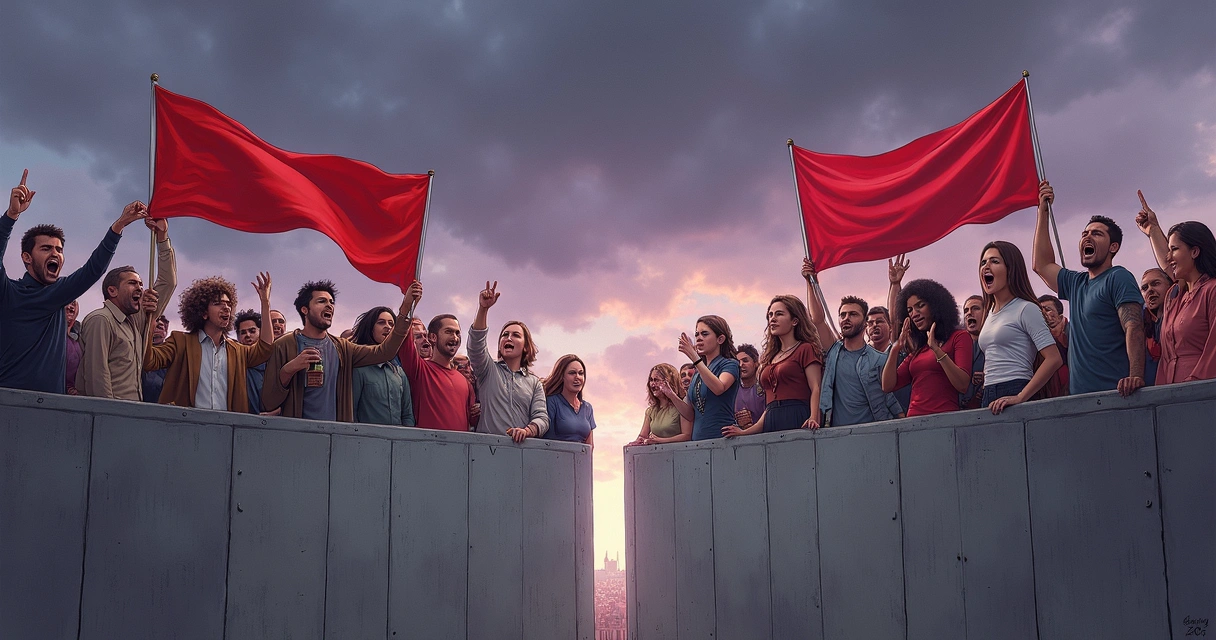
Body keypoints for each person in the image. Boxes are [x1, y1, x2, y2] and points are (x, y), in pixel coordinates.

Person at [0, 170, 154, 393]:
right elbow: (92, 271)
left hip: (53, 410)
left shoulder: (57, 293)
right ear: (26, 257)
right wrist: (11, 216)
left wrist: (119, 226)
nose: (55, 253)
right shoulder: (9, 292)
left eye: (59, 250)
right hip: (8, 405)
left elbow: (92, 270)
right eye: (46, 248)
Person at [1032, 181, 1145, 396]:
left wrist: (1136, 376)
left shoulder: (1118, 277)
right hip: (1081, 398)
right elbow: (1041, 264)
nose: (1087, 237)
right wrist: (1043, 211)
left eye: (1097, 233)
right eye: (1085, 233)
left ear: (1114, 247)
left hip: (1116, 395)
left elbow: (1134, 327)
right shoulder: (1076, 283)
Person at [262, 279, 416, 421]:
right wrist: (289, 369)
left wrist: (405, 310)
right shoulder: (283, 345)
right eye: (321, 301)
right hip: (296, 434)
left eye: (331, 302)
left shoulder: (343, 348)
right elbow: (269, 402)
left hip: (335, 437)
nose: (329, 305)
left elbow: (385, 352)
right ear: (304, 309)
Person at [78, 217, 178, 400]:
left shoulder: (136, 320)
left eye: (141, 284)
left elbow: (168, 283)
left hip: (131, 412)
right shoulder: (100, 320)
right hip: (110, 416)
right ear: (112, 290)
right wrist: (109, 415)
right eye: (132, 283)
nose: (140, 288)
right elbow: (97, 377)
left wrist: (162, 237)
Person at [144, 274, 274, 412]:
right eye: (218, 304)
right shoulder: (180, 341)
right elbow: (150, 361)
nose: (226, 308)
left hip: (226, 427)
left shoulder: (238, 351)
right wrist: (148, 322)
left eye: (229, 304)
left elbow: (265, 348)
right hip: (186, 426)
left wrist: (265, 303)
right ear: (203, 312)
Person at [801, 260, 903, 427]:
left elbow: (889, 398)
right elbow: (817, 320)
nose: (846, 318)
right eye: (842, 315)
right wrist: (810, 281)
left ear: (865, 323)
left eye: (853, 314)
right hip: (837, 434)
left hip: (873, 432)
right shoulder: (833, 351)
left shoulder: (879, 359)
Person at [1135, 193, 1216, 383]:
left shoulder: (1211, 291)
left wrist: (1194, 384)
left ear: (1195, 251)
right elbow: (1168, 266)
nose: (1169, 257)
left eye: (1175, 249)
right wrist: (1153, 229)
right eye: (1169, 250)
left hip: (1203, 394)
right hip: (1170, 396)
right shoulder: (1175, 296)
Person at [976, 241, 1063, 414]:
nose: (986, 266)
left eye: (994, 261)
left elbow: (1054, 359)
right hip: (988, 394)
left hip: (1014, 388)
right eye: (983, 262)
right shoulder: (990, 313)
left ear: (1011, 269)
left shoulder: (1026, 308)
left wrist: (1021, 396)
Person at [468, 281, 548, 442]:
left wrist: (528, 431)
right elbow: (476, 346)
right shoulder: (487, 371)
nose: (508, 338)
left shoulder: (534, 383)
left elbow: (542, 418)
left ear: (525, 347)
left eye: (516, 335)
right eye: (505, 335)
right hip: (486, 452)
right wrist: (483, 309)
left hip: (519, 455)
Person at [882, 279, 973, 416]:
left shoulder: (959, 337)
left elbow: (962, 384)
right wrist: (895, 348)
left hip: (945, 420)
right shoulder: (918, 351)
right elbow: (887, 386)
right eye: (910, 310)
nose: (914, 313)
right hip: (913, 422)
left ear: (936, 306)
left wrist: (937, 350)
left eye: (920, 305)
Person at [397, 306, 477, 431]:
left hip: (459, 449)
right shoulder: (420, 370)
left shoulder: (466, 383)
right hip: (425, 448)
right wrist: (409, 304)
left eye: (457, 333)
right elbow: (403, 339)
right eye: (449, 332)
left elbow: (473, 421)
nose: (455, 337)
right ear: (433, 337)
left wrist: (478, 412)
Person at [674, 315, 739, 440]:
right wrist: (670, 394)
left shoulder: (730, 364)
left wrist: (694, 358)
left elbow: (719, 388)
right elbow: (689, 414)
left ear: (720, 339)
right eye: (697, 334)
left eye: (704, 334)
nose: (699, 338)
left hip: (723, 439)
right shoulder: (698, 373)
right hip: (698, 442)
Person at [350, 305, 415, 426]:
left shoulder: (399, 373)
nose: (388, 327)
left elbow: (407, 415)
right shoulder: (358, 368)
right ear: (370, 328)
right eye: (381, 322)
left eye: (391, 324)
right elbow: (351, 413)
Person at [628, 364, 688, 445]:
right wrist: (636, 442)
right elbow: (643, 436)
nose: (652, 384)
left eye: (656, 380)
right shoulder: (650, 411)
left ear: (669, 382)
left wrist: (659, 441)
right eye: (651, 380)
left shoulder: (681, 406)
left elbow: (687, 436)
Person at [543, 354, 595, 445]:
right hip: (557, 456)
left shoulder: (588, 408)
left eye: (581, 373)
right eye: (572, 373)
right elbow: (547, 441)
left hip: (581, 458)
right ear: (562, 377)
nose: (577, 377)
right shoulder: (552, 402)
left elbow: (590, 446)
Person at [234, 308, 275, 415]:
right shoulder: (234, 364)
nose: (247, 335)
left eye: (252, 331)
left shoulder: (276, 361)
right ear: (238, 337)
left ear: (261, 332)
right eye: (243, 332)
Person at [1140, 267, 1173, 385]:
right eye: (1144, 288)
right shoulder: (1142, 327)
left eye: (1156, 284)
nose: (1150, 290)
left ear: (1170, 285)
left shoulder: (1179, 322)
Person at [1036, 294, 1071, 397]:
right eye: (1039, 311)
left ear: (1060, 316)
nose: (1043, 314)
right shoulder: (1036, 338)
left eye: (1047, 310)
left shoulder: (1072, 333)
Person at [960, 295, 988, 409]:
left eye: (975, 308)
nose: (969, 313)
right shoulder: (958, 346)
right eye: (966, 310)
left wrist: (988, 377)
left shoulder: (997, 343)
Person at [733, 344, 766, 429]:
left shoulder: (764, 387)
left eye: (745, 361)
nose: (741, 365)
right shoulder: (733, 391)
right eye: (738, 362)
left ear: (755, 363)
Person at [141, 315, 170, 404]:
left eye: (159, 327)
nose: (155, 331)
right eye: (153, 327)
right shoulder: (138, 351)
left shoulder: (169, 356)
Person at [64, 300, 82, 395]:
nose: (70, 307)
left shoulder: (81, 336)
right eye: (67, 303)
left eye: (73, 303)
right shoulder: (49, 337)